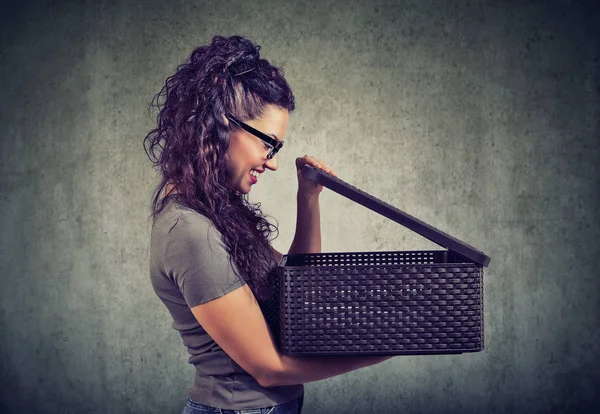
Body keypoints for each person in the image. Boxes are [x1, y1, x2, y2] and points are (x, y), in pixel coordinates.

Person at [144, 35, 393, 414]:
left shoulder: (217, 211)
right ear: (219, 125)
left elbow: (298, 290)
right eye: (269, 144)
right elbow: (268, 368)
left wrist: (307, 199)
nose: (273, 161)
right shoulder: (189, 230)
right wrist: (377, 353)